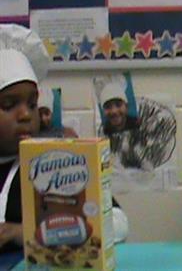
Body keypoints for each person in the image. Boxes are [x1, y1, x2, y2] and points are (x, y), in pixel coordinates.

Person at [0, 24, 129, 258]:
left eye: (32, 104)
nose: (26, 115)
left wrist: (24, 233)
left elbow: (118, 223)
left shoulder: (56, 164)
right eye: (9, 105)